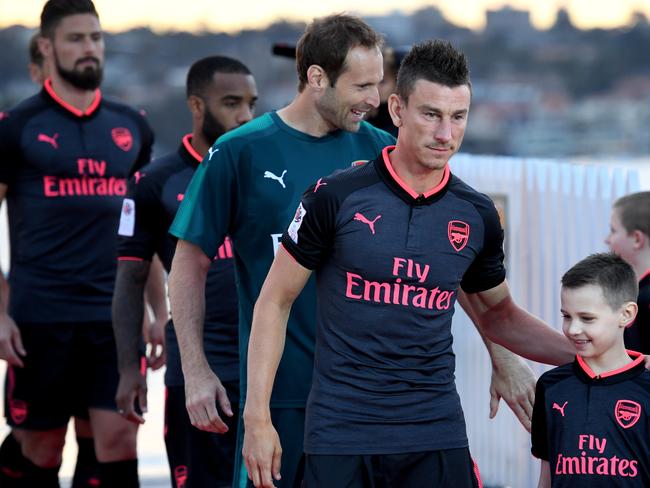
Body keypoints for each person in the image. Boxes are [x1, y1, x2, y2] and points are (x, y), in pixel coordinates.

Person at [169, 17, 541, 488]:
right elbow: (189, 261)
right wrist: (196, 370)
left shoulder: (382, 147)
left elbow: (448, 259)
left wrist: (502, 355)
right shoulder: (239, 151)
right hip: (281, 391)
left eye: (378, 85)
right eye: (362, 85)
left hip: (370, 408)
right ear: (318, 78)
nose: (373, 100)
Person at [0, 1, 154, 486]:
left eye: (96, 37)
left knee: (119, 439)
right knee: (43, 448)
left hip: (113, 319)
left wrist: (157, 310)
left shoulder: (132, 126)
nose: (90, 49)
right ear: (46, 46)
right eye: (76, 39)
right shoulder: (17, 127)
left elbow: (142, 229)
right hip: (39, 318)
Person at [113, 55, 257, 488]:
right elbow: (130, 279)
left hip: (268, 371)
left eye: (252, 103)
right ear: (197, 106)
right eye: (231, 103)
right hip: (197, 374)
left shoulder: (266, 172)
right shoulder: (155, 182)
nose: (245, 116)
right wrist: (128, 369)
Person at [531, 253, 650, 486]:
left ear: (626, 314)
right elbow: (547, 475)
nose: (573, 329)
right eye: (566, 316)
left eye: (587, 318)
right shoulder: (550, 386)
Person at [605, 191, 650, 354]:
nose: (607, 239)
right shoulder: (635, 290)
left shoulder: (645, 296)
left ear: (637, 238)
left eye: (613, 230)